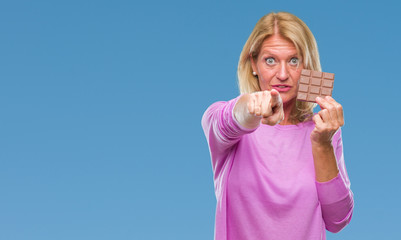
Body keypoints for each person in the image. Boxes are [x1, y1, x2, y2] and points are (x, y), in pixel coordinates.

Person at [201, 12, 354, 240]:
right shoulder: (223, 120)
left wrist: (323, 145)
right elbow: (231, 118)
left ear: (306, 66)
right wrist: (252, 107)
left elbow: (337, 220)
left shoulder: (323, 130)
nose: (282, 74)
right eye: (270, 60)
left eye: (294, 61)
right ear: (253, 64)